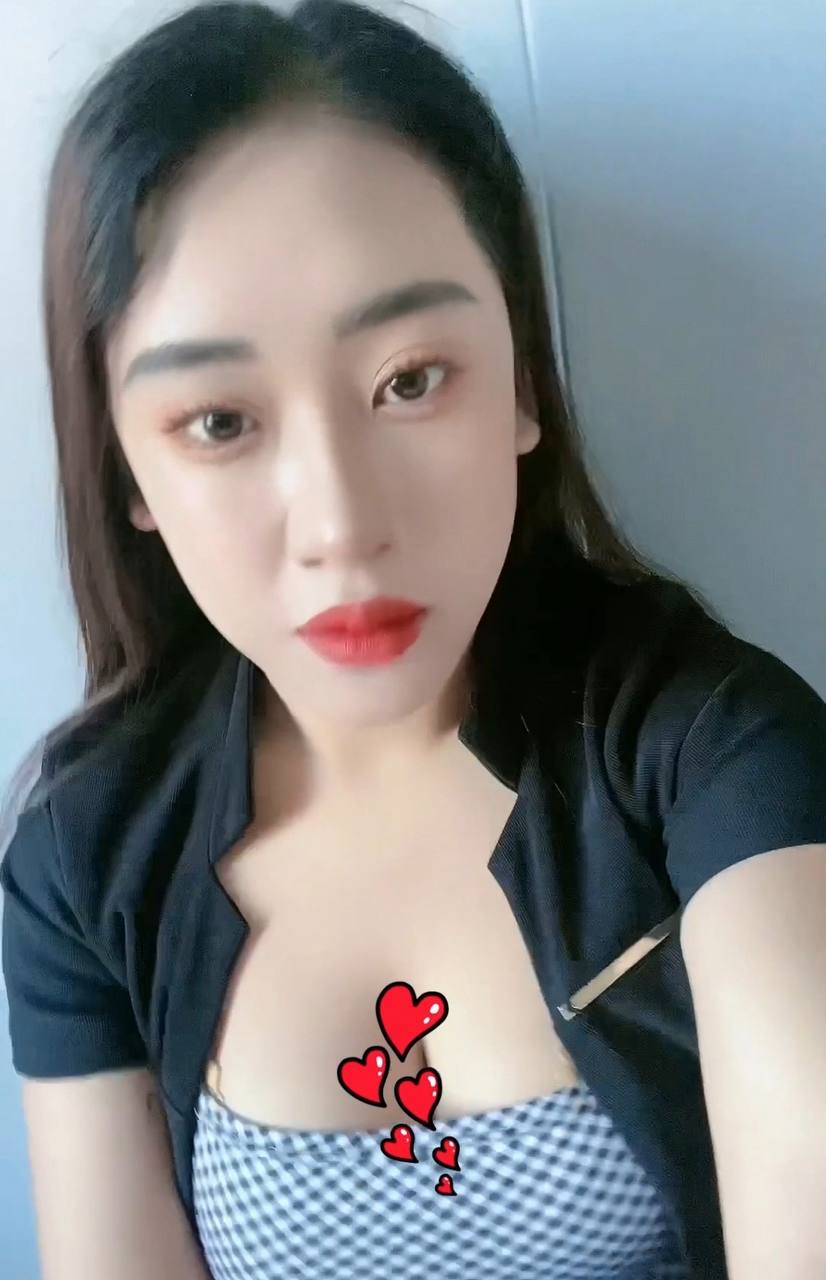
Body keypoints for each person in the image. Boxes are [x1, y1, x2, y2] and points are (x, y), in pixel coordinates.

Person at [2, 2, 825, 1278]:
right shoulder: (85, 850)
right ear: (129, 475)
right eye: (219, 421)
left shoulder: (715, 759)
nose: (341, 524)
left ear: (523, 382)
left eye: (409, 379)